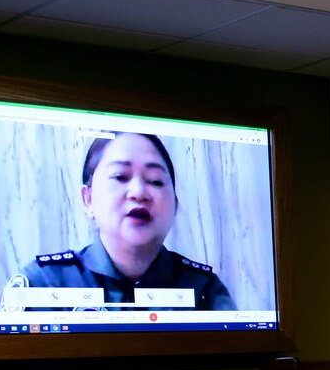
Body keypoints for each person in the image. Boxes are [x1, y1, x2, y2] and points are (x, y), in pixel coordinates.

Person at [17, 132, 235, 310]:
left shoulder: (205, 290)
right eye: (120, 176)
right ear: (88, 199)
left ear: (175, 206)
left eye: (156, 181)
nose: (139, 192)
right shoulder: (42, 284)